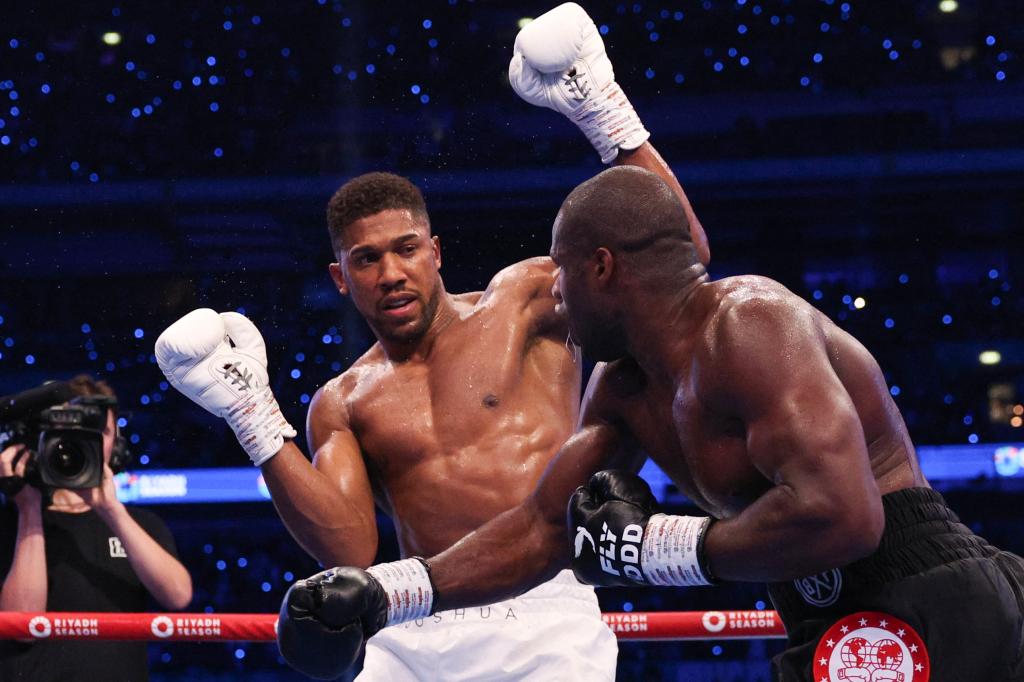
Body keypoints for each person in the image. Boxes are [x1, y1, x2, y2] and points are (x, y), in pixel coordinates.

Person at [279, 168, 1024, 681]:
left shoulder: (750, 326)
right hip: (817, 604)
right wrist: (393, 592)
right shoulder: (624, 386)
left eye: (563, 277)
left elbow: (845, 518)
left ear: (603, 269)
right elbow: (544, 526)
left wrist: (662, 546)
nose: (557, 303)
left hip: (919, 587)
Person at [155, 4, 709, 680]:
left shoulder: (526, 301)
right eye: (366, 260)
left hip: (542, 609)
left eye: (405, 249)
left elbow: (671, 264)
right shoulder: (343, 400)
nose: (390, 273)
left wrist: (606, 115)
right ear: (340, 277)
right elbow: (352, 549)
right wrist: (252, 418)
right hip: (412, 617)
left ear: (436, 251)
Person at [0, 374, 193, 682]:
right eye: (68, 430)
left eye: (98, 431)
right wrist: (28, 509)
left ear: (115, 441)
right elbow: (23, 626)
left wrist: (112, 511)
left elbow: (178, 595)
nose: (80, 442)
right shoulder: (11, 522)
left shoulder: (141, 524)